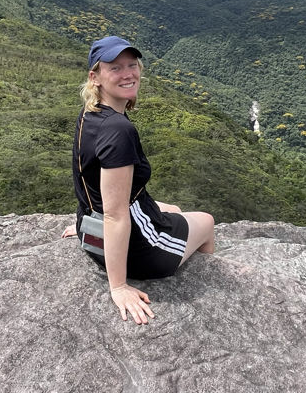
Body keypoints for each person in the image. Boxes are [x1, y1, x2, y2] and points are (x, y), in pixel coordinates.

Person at [69, 36, 215, 324]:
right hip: (139, 250)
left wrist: (87, 217)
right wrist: (119, 287)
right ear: (95, 77)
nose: (127, 74)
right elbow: (115, 216)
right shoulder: (118, 130)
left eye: (131, 65)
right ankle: (209, 285)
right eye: (115, 68)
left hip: (89, 231)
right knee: (207, 221)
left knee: (173, 209)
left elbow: (87, 175)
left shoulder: (90, 114)